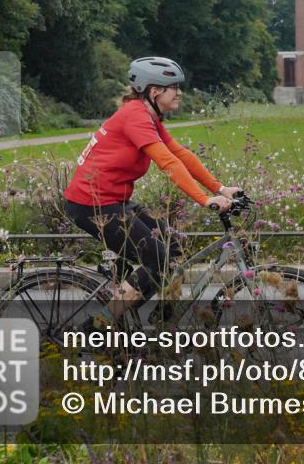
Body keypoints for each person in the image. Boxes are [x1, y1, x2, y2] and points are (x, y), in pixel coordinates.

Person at [63, 57, 240, 330]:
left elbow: (179, 154)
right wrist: (205, 199)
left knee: (173, 246)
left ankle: (153, 318)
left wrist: (219, 188)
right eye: (174, 87)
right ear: (155, 91)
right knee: (157, 258)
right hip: (92, 205)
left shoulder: (146, 115)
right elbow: (167, 163)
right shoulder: (135, 117)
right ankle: (99, 326)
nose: (179, 93)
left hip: (114, 201)